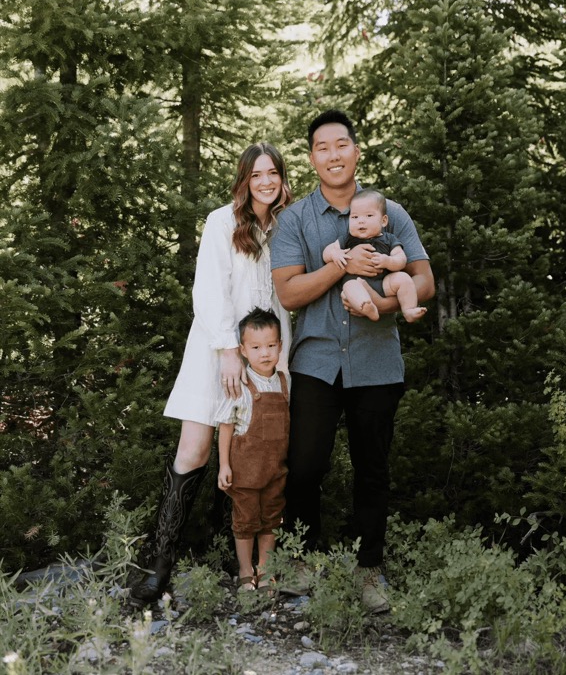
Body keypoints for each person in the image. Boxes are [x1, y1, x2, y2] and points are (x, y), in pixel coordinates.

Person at [270, 109, 435, 613]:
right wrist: (343, 267)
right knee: (304, 467)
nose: (333, 155)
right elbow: (289, 292)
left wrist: (382, 302)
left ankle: (369, 570)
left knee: (373, 469)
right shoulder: (295, 219)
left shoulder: (388, 211)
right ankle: (302, 560)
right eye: (322, 148)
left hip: (376, 360)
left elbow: (424, 280)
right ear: (312, 159)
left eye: (341, 144)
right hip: (316, 359)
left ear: (356, 152)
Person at [129, 143, 292, 607]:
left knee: (249, 447)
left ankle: (229, 552)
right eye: (256, 174)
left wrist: (279, 359)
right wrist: (227, 350)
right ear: (244, 179)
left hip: (265, 356)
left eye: (273, 173)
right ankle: (159, 563)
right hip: (217, 352)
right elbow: (209, 290)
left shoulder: (286, 226)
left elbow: (284, 296)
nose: (265, 181)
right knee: (195, 447)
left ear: (282, 178)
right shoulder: (222, 221)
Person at [216, 307, 289, 593]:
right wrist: (224, 465)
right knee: (245, 520)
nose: (265, 353)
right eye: (256, 347)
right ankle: (246, 571)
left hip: (275, 469)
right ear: (244, 350)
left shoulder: (284, 382)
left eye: (271, 345)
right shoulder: (241, 384)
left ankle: (265, 569)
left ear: (280, 346)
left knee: (271, 518)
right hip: (245, 471)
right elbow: (225, 425)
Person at [323, 188, 427, 322]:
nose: (361, 221)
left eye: (369, 216)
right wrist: (335, 254)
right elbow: (327, 252)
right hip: (358, 283)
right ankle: (367, 306)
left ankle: (409, 310)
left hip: (384, 283)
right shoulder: (348, 239)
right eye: (354, 217)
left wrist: (388, 261)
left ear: (383, 221)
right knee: (349, 287)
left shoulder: (389, 239)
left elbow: (401, 259)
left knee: (403, 278)